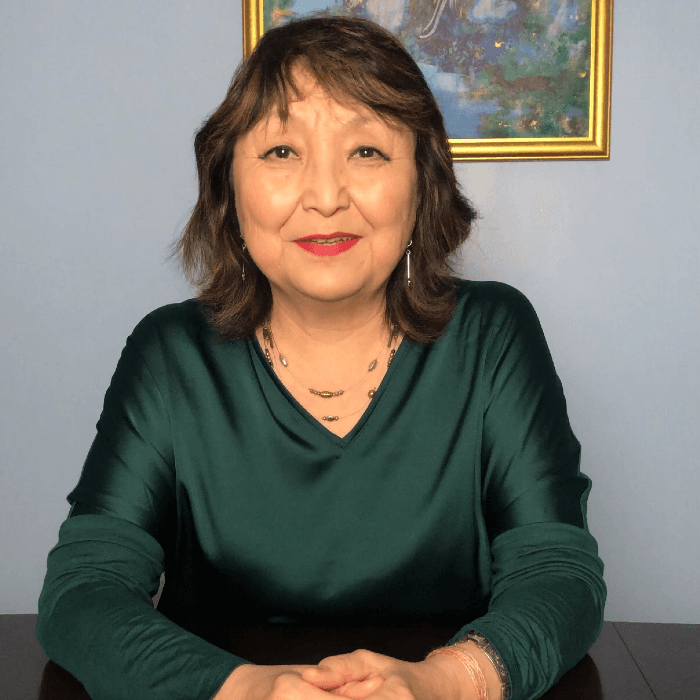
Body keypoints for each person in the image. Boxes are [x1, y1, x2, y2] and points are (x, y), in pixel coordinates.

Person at [36, 13, 606, 700]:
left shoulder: (494, 335)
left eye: (366, 151)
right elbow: (83, 592)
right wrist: (250, 691)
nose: (327, 197)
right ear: (228, 187)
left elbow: (558, 576)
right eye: (282, 152)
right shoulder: (169, 355)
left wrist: (444, 682)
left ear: (423, 185)